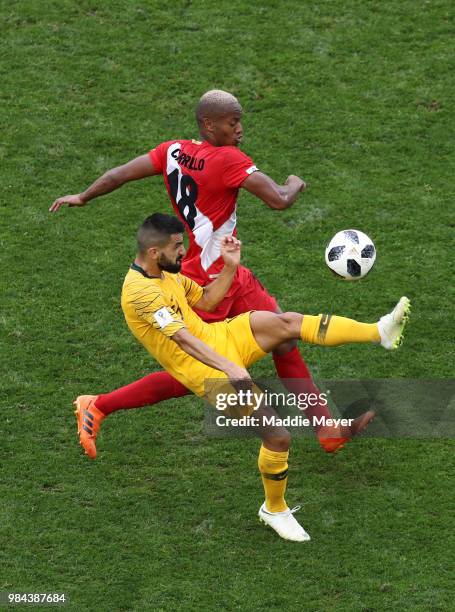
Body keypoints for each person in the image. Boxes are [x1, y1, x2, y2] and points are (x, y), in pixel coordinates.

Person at [50, 89, 373, 457]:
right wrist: (296, 181)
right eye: (232, 122)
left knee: (285, 333)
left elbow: (120, 173)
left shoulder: (172, 151)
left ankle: (326, 427)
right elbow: (279, 199)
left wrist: (85, 195)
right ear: (209, 124)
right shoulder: (227, 160)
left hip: (232, 272)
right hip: (207, 281)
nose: (240, 129)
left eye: (240, 121)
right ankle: (100, 404)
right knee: (197, 372)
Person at [96, 212, 409, 542]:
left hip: (220, 337)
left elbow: (205, 299)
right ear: (154, 252)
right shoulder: (140, 293)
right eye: (178, 247)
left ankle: (379, 331)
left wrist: (229, 265)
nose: (184, 252)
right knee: (277, 436)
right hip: (205, 371)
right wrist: (229, 368)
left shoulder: (166, 273)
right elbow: (183, 340)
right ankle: (274, 509)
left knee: (286, 324)